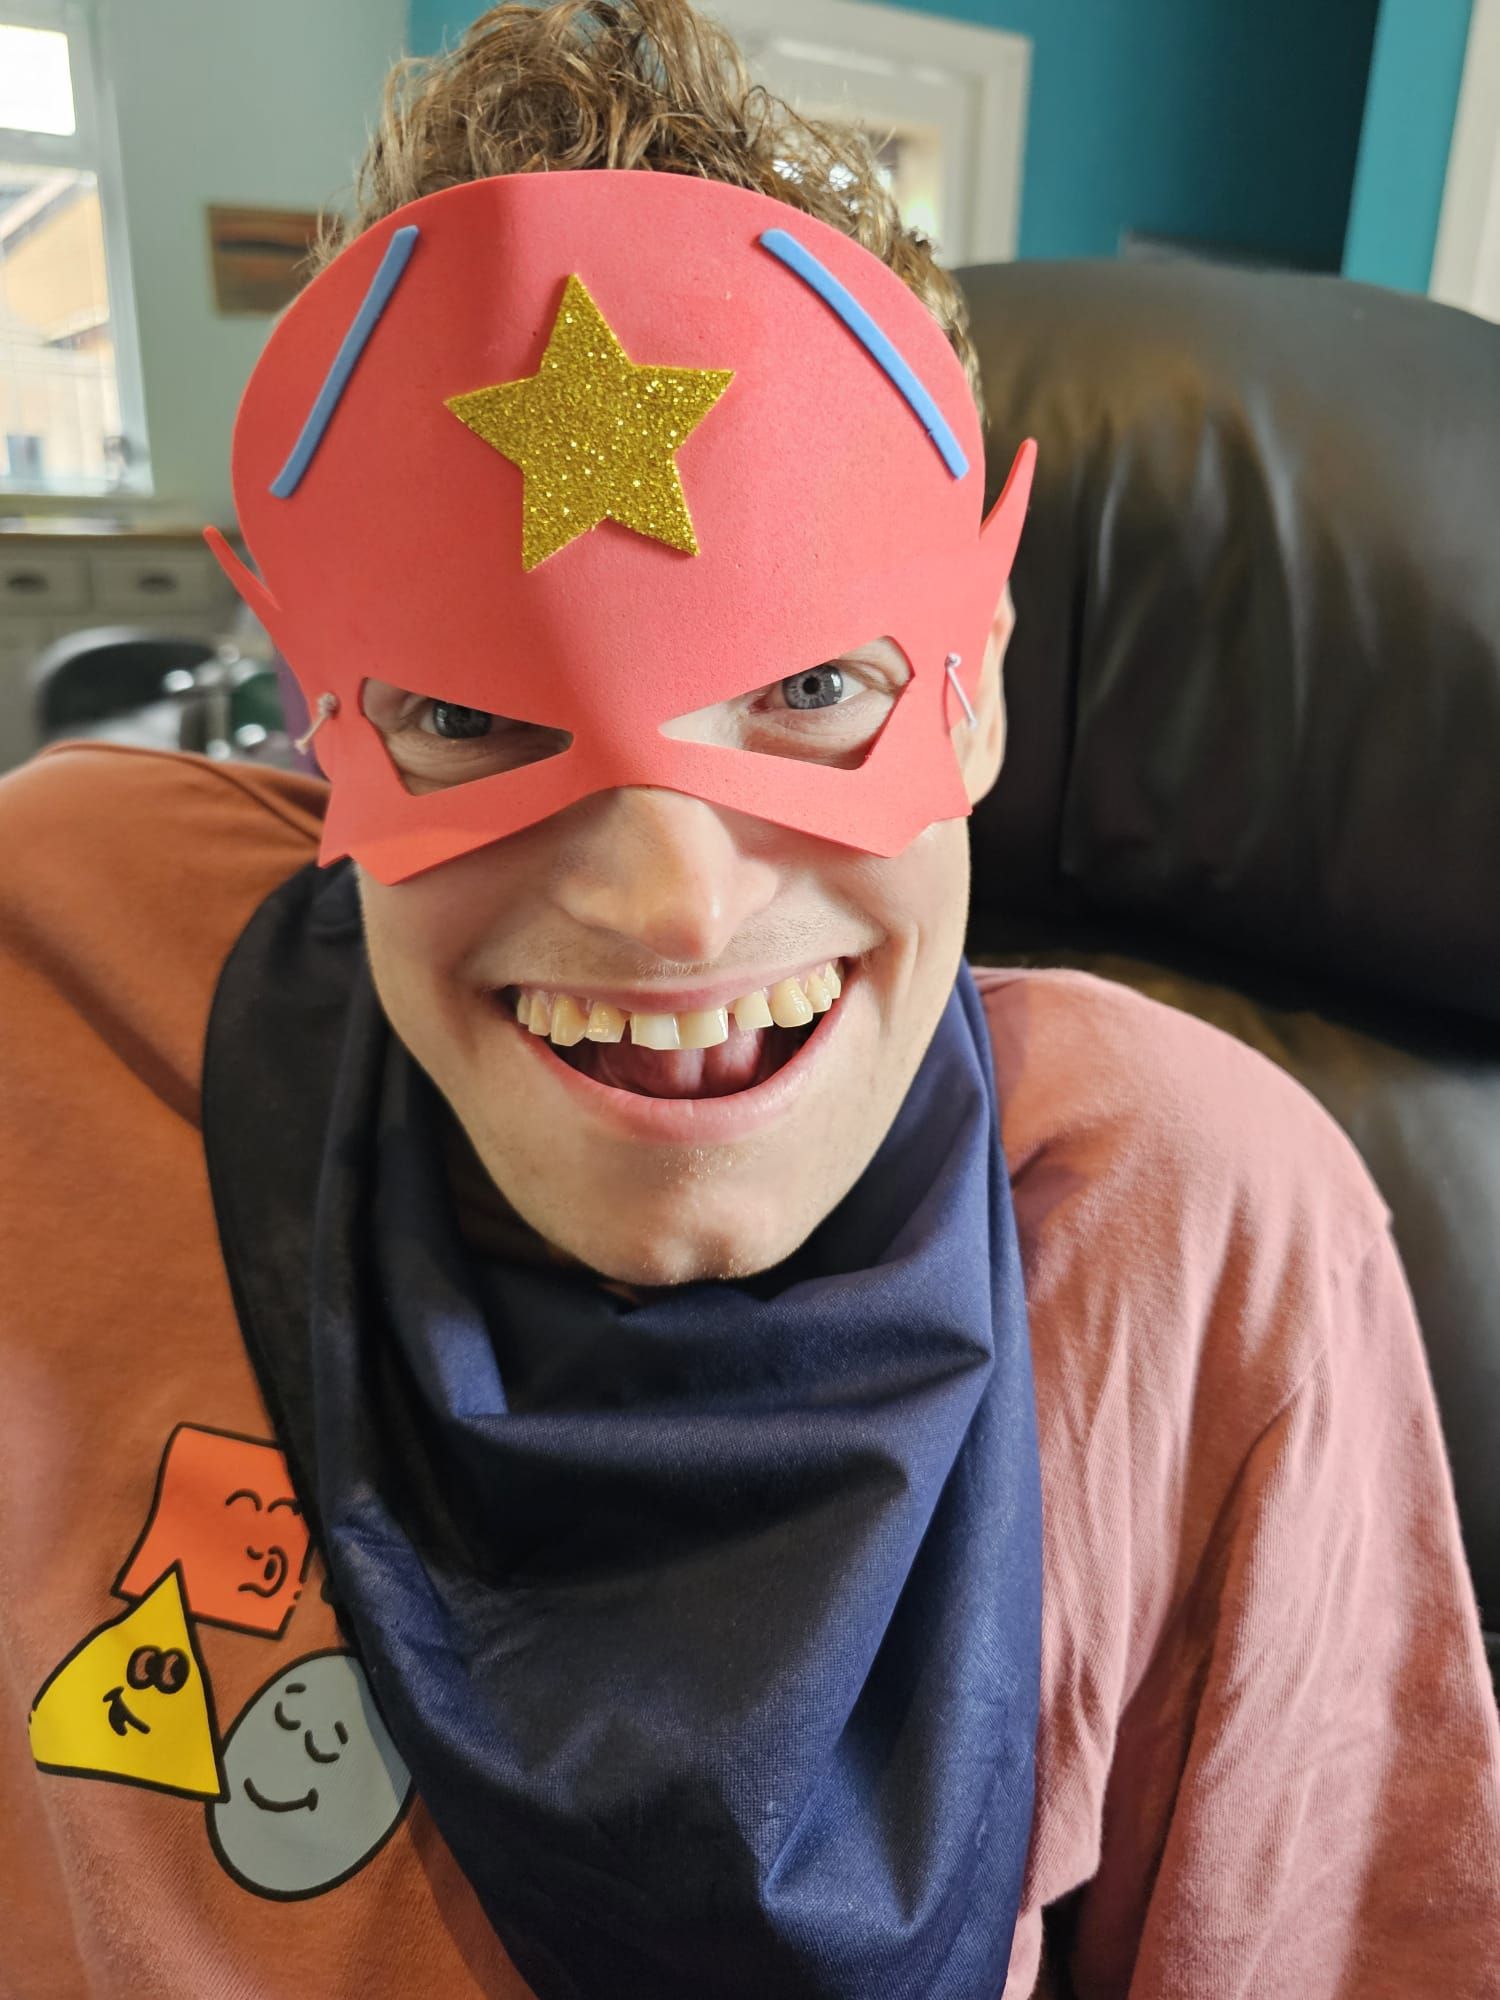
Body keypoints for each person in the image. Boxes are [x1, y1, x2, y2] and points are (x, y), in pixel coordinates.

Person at [3, 3, 1497, 1995]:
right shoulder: (58, 972)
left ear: (976, 670)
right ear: (315, 709)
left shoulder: (1205, 1224)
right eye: (465, 710)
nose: (671, 901)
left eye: (810, 692)